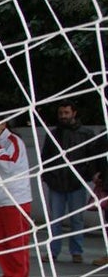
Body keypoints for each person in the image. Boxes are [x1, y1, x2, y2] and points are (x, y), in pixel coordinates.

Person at [40, 99, 105, 263]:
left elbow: (93, 158)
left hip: (76, 184)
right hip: (56, 183)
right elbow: (45, 158)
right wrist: (47, 176)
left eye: (66, 112)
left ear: (74, 113)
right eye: (61, 113)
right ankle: (53, 251)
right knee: (55, 219)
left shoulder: (86, 134)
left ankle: (76, 251)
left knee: (77, 219)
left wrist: (90, 175)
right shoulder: (53, 134)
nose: (63, 116)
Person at [0, 115, 34, 277]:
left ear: (4, 123)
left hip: (17, 200)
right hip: (1, 199)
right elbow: (0, 174)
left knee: (17, 243)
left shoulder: (14, 141)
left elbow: (8, 168)